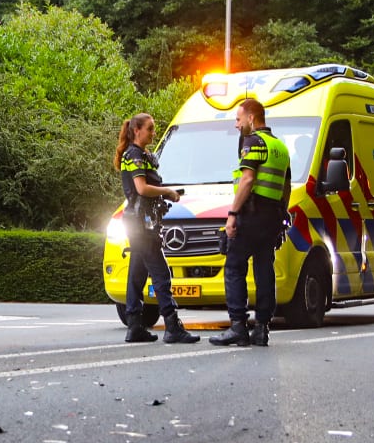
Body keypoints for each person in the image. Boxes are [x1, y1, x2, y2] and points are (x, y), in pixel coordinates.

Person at [210, 97, 292, 347]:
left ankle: (238, 327)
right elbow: (286, 187)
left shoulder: (253, 141)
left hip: (251, 214)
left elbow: (247, 180)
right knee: (264, 270)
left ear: (251, 118)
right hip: (271, 217)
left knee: (234, 266)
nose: (236, 125)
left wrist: (233, 214)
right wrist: (281, 215)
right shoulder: (280, 147)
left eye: (238, 119)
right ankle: (262, 329)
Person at [115, 113, 199, 345]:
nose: (153, 132)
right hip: (142, 224)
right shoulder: (134, 155)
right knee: (161, 274)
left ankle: (134, 326)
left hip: (139, 222)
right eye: (150, 129)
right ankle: (172, 326)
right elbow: (141, 188)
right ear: (137, 131)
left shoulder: (138, 155)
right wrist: (167, 192)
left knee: (137, 275)